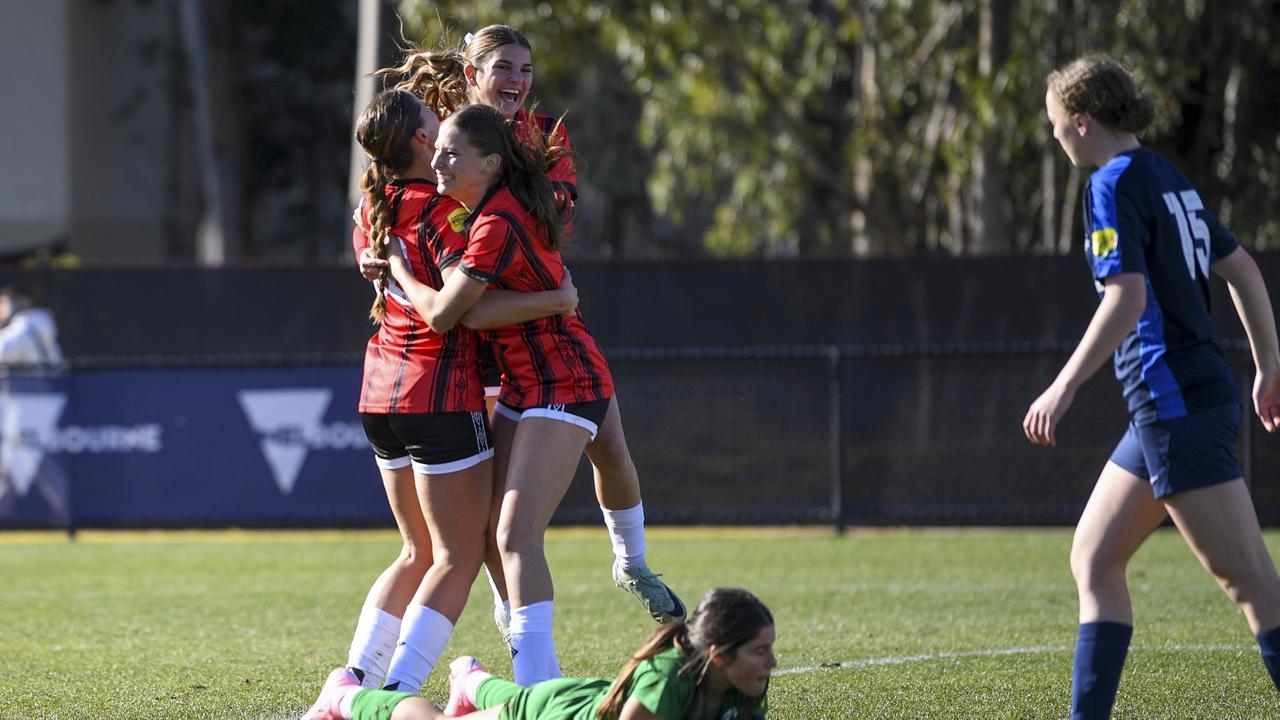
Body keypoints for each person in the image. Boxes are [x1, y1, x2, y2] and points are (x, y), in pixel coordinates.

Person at [364, 24, 684, 650]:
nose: (517, 80)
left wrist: (473, 211)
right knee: (494, 527)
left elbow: (550, 213)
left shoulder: (531, 145)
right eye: (503, 67)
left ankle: (632, 563)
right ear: (471, 72)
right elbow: (392, 181)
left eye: (525, 70)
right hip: (481, 354)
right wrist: (377, 238)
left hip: (538, 327)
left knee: (610, 451)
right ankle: (515, 622)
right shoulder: (446, 141)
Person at [1024, 54, 1280, 719]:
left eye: (1055, 125)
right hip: (1175, 406)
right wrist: (1268, 367)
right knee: (1094, 557)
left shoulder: (1110, 183)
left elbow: (1126, 298)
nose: (1053, 137)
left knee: (1251, 584)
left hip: (1175, 404)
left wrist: (1063, 386)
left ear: (1082, 122)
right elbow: (1246, 270)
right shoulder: (1170, 180)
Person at [311, 89, 578, 709]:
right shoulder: (445, 211)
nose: (443, 121)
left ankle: (353, 678)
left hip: (379, 390)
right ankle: (398, 692)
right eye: (435, 123)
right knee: (460, 554)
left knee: (418, 550)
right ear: (422, 143)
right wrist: (556, 299)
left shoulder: (370, 207)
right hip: (439, 392)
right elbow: (464, 310)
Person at [302, 587, 775, 720]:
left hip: (576, 699)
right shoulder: (669, 676)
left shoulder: (746, 691)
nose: (771, 663)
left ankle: (470, 684)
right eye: (759, 651)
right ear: (718, 656)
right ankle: (344, 695)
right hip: (553, 711)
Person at [0, 286, 63, 367]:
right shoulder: (41, 323)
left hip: (31, 379)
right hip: (42, 378)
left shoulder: (22, 330)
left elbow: (3, 353)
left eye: (3, 302)